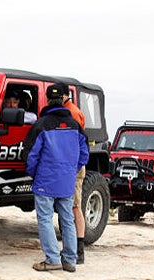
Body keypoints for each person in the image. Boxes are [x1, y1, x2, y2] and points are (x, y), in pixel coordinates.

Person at [25, 84, 89, 273]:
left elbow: (31, 156)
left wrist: (34, 174)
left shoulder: (41, 124)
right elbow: (84, 155)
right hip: (67, 181)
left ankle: (52, 259)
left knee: (45, 219)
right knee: (67, 218)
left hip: (45, 180)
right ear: (63, 99)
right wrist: (71, 170)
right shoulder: (75, 125)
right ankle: (70, 260)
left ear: (46, 100)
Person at [58, 82, 87, 264]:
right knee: (70, 206)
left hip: (73, 167)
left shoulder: (72, 113)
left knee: (75, 206)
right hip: (68, 165)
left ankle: (79, 251)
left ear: (63, 96)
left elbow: (76, 142)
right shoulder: (69, 110)